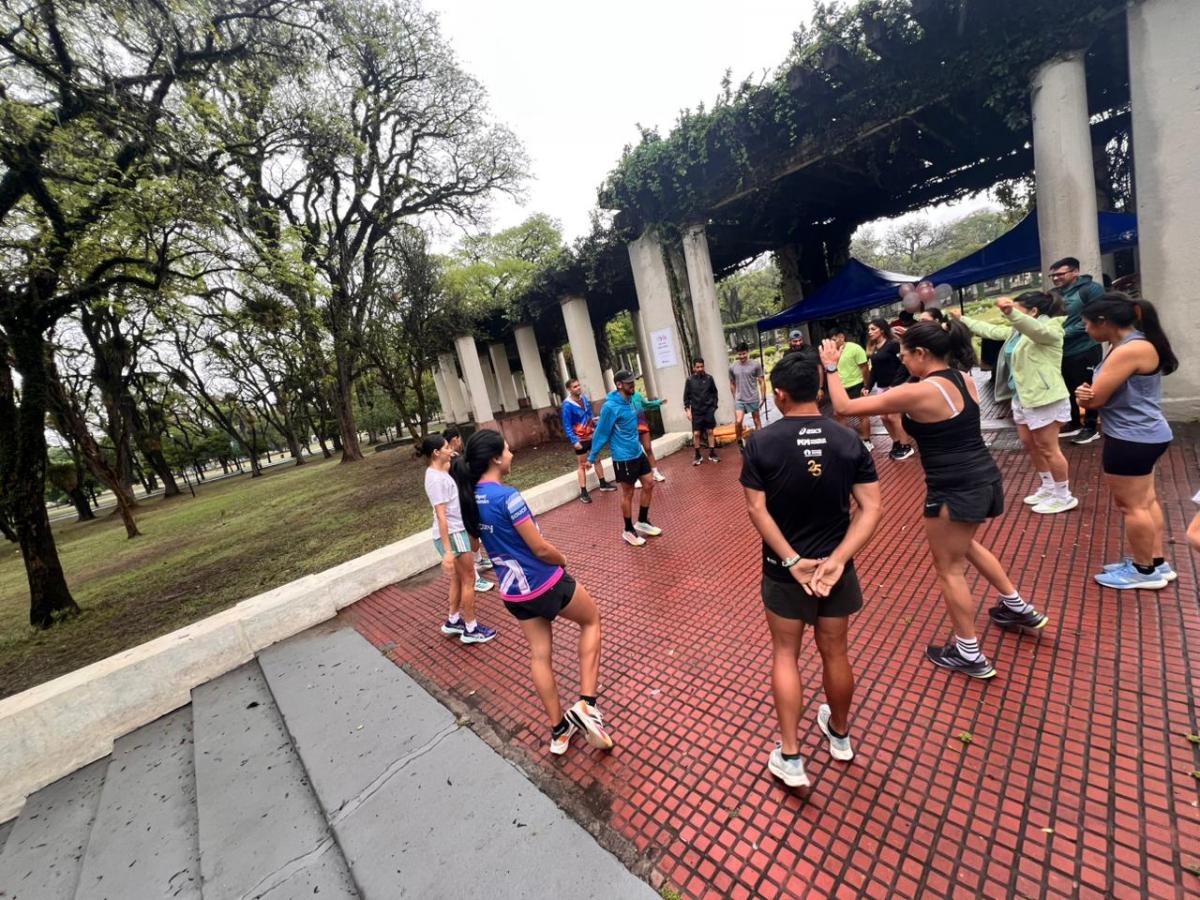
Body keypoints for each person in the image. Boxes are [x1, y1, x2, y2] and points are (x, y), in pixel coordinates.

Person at [820, 323, 1049, 679]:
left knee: (949, 569)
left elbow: (846, 406)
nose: (903, 360)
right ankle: (1017, 606)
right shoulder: (963, 378)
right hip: (982, 478)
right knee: (966, 545)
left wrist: (832, 368)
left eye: (905, 354)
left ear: (922, 354)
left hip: (953, 488)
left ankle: (969, 652)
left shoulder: (921, 392)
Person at [741, 352, 882, 791]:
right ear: (818, 391)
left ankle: (791, 756)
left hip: (784, 572)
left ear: (779, 393)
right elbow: (872, 507)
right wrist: (838, 559)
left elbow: (756, 509)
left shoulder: (760, 443)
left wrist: (791, 560)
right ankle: (839, 736)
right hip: (835, 569)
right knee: (835, 652)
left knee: (786, 654)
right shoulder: (847, 441)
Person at [453, 430, 613, 755]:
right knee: (592, 619)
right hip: (545, 583)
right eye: (508, 450)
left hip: (514, 595)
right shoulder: (507, 497)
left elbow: (474, 546)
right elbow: (540, 549)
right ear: (496, 458)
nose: (512, 454)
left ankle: (559, 732)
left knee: (540, 655)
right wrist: (563, 559)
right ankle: (587, 705)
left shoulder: (471, 499)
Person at [1076, 294, 1180, 589]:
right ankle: (1156, 562)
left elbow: (1097, 397)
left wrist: (1084, 396)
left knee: (1132, 506)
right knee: (1145, 501)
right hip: (1145, 434)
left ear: (1103, 322)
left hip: (1131, 437)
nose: (1085, 330)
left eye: (1086, 324)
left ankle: (1143, 571)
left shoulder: (1129, 349)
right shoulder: (1132, 343)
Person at [954, 292, 1077, 515]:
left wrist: (1010, 312)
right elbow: (991, 331)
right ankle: (1048, 486)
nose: (1008, 315)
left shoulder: (1051, 329)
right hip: (1022, 397)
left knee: (1049, 448)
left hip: (1044, 397)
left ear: (1033, 312)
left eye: (1015, 309)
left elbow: (1036, 330)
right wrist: (962, 320)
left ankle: (1063, 495)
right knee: (1030, 443)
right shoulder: (1016, 331)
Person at [419, 434, 497, 644]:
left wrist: (451, 456)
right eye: (446, 447)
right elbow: (441, 516)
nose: (450, 449)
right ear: (436, 453)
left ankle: (454, 620)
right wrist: (447, 552)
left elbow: (450, 466)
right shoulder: (435, 479)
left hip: (454, 533)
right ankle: (471, 628)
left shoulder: (437, 471)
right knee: (469, 579)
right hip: (453, 534)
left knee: (457, 578)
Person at [588, 370, 663, 547]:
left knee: (649, 483)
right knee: (628, 493)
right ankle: (628, 530)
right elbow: (602, 432)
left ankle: (643, 520)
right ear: (619, 384)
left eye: (633, 381)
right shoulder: (610, 407)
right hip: (623, 458)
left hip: (637, 453)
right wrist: (592, 456)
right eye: (629, 382)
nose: (633, 385)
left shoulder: (631, 400)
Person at [1051, 256, 1105, 445]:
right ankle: (1074, 423)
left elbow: (1097, 316)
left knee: (1087, 388)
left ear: (1075, 272)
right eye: (1053, 275)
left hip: (1086, 348)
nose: (1056, 278)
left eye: (1060, 274)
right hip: (1061, 351)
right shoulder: (1054, 293)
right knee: (1067, 388)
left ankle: (1090, 427)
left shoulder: (1091, 289)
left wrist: (1062, 333)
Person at [443, 426, 496, 586]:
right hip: (460, 505)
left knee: (473, 536)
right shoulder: (454, 461)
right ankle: (474, 579)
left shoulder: (454, 459)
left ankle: (479, 561)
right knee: (468, 541)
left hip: (463, 501)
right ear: (455, 440)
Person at [864, 318, 914, 461]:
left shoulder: (893, 345)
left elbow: (903, 364)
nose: (870, 332)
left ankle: (906, 446)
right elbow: (874, 370)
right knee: (883, 417)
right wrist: (868, 386)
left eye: (873, 329)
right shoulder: (874, 348)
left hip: (895, 386)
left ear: (882, 330)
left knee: (893, 416)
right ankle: (897, 442)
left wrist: (895, 384)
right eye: (869, 329)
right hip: (882, 386)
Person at [561, 378, 616, 504]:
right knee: (582, 465)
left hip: (592, 436)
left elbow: (590, 415)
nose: (578, 388)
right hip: (580, 439)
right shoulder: (567, 405)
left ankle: (603, 484)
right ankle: (583, 492)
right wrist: (574, 441)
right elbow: (567, 425)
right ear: (569, 389)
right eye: (575, 387)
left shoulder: (584, 399)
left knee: (597, 459)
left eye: (578, 385)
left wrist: (596, 426)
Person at [831, 330, 873, 451]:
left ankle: (867, 440)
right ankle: (846, 440)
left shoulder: (855, 348)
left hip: (856, 384)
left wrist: (866, 386)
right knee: (838, 414)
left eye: (834, 340)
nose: (833, 342)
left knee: (862, 414)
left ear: (841, 337)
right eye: (831, 340)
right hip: (840, 387)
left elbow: (865, 368)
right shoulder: (832, 352)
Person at [683, 357, 720, 464]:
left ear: (704, 366)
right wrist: (688, 411)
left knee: (710, 431)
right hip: (696, 411)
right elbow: (686, 398)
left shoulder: (709, 378)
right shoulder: (689, 380)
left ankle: (712, 453)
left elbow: (715, 393)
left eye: (701, 366)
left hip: (708, 410)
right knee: (696, 434)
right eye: (697, 367)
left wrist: (714, 407)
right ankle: (698, 455)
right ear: (694, 368)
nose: (700, 369)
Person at [729, 342, 766, 448]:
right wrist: (735, 397)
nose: (742, 356)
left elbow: (761, 381)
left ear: (747, 352)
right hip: (740, 399)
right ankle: (740, 441)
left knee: (757, 420)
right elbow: (732, 383)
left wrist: (763, 396)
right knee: (738, 421)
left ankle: (761, 441)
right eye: (739, 354)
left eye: (744, 354)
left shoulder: (755, 364)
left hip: (753, 397)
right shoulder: (732, 367)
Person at [630, 387, 668, 482]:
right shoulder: (622, 399)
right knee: (635, 453)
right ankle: (637, 478)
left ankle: (655, 473)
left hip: (643, 426)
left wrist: (659, 402)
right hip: (631, 429)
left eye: (632, 383)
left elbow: (646, 404)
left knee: (648, 449)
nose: (632, 386)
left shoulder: (637, 395)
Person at [785, 329, 825, 400]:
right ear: (790, 341)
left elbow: (819, 368)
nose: (798, 343)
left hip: (812, 387)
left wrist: (820, 388)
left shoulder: (810, 351)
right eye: (795, 341)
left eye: (800, 340)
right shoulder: (787, 354)